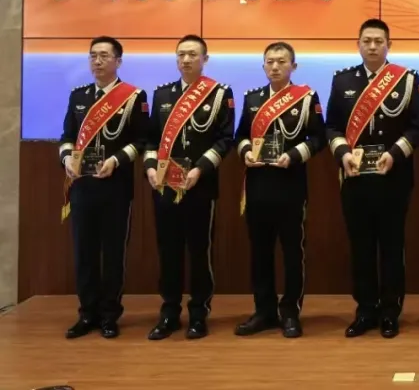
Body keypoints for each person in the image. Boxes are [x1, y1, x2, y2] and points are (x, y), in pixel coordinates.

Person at [326, 19, 419, 339]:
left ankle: (390, 311)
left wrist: (395, 154)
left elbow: (418, 127)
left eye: (378, 41)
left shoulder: (406, 79)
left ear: (388, 45)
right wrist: (343, 153)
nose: (372, 46)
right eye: (367, 41)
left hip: (393, 177)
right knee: (361, 247)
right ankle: (365, 310)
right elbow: (332, 126)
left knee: (392, 247)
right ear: (358, 44)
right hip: (355, 177)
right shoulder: (342, 80)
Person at [143, 34, 235, 340]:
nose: (186, 59)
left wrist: (200, 169)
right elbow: (150, 140)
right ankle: (169, 313)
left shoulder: (219, 93)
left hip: (201, 185)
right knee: (168, 251)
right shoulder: (162, 94)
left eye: (193, 54)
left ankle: (198, 314)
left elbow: (225, 140)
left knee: (199, 251)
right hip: (164, 187)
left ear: (204, 59)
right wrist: (150, 168)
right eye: (181, 54)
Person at [233, 42, 326, 339]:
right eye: (270, 61)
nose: (275, 66)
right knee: (259, 252)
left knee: (292, 252)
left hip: (290, 185)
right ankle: (264, 311)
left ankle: (290, 312)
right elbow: (240, 136)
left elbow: (318, 138)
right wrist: (246, 151)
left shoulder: (306, 98)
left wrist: (294, 155)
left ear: (293, 66)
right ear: (263, 66)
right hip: (258, 185)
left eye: (281, 61)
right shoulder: (252, 98)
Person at [58, 36, 149, 339]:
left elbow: (141, 141)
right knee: (83, 252)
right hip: (82, 186)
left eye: (104, 56)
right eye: (93, 56)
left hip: (115, 187)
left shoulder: (133, 96)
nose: (97, 61)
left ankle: (110, 315)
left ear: (118, 61)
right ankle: (87, 314)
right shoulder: (78, 96)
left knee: (112, 253)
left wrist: (116, 160)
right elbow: (67, 136)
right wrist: (66, 158)